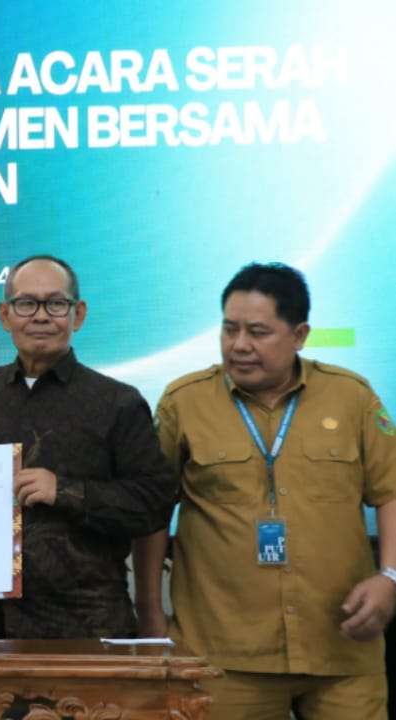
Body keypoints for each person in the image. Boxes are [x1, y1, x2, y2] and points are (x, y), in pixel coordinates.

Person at [135, 262, 396, 719]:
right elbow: (153, 509)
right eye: (229, 329)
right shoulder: (184, 402)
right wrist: (151, 611)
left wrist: (389, 576)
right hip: (223, 654)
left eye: (257, 332)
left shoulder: (351, 397)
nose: (239, 345)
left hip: (341, 647)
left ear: (299, 335)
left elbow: (390, 490)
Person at [0, 254, 176, 639]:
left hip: (81, 630)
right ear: (4, 315)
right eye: (26, 304)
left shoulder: (118, 402)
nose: (41, 316)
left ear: (78, 314)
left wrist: (64, 491)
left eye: (56, 304)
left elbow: (154, 504)